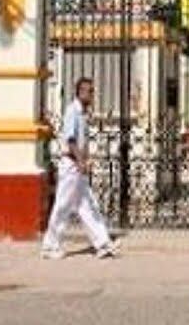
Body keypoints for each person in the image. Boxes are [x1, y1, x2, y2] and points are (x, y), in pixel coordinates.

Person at [40, 76, 118, 260]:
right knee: (63, 205)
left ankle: (102, 243)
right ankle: (50, 245)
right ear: (80, 92)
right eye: (89, 91)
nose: (92, 94)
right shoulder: (72, 111)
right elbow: (70, 139)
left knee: (88, 205)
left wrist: (85, 160)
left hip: (78, 165)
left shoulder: (82, 113)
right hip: (71, 165)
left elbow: (81, 141)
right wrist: (81, 161)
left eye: (92, 91)